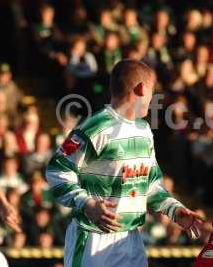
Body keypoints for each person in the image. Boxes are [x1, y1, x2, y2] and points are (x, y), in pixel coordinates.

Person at [46, 59, 203, 267]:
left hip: (131, 240)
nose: (154, 97)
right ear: (141, 88)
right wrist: (88, 204)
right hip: (93, 238)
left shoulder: (144, 131)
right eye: (152, 90)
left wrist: (174, 210)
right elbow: (57, 170)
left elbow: (151, 184)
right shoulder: (95, 126)